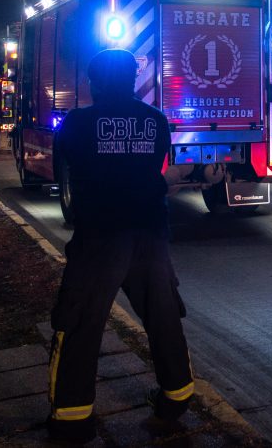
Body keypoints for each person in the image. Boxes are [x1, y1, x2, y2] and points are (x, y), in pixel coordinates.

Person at [46, 49, 193, 443]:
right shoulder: (156, 121)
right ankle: (176, 399)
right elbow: (157, 167)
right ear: (132, 81)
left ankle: (73, 420)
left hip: (100, 239)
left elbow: (68, 165)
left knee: (79, 322)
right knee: (163, 316)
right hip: (150, 235)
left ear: (94, 83)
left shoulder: (77, 123)